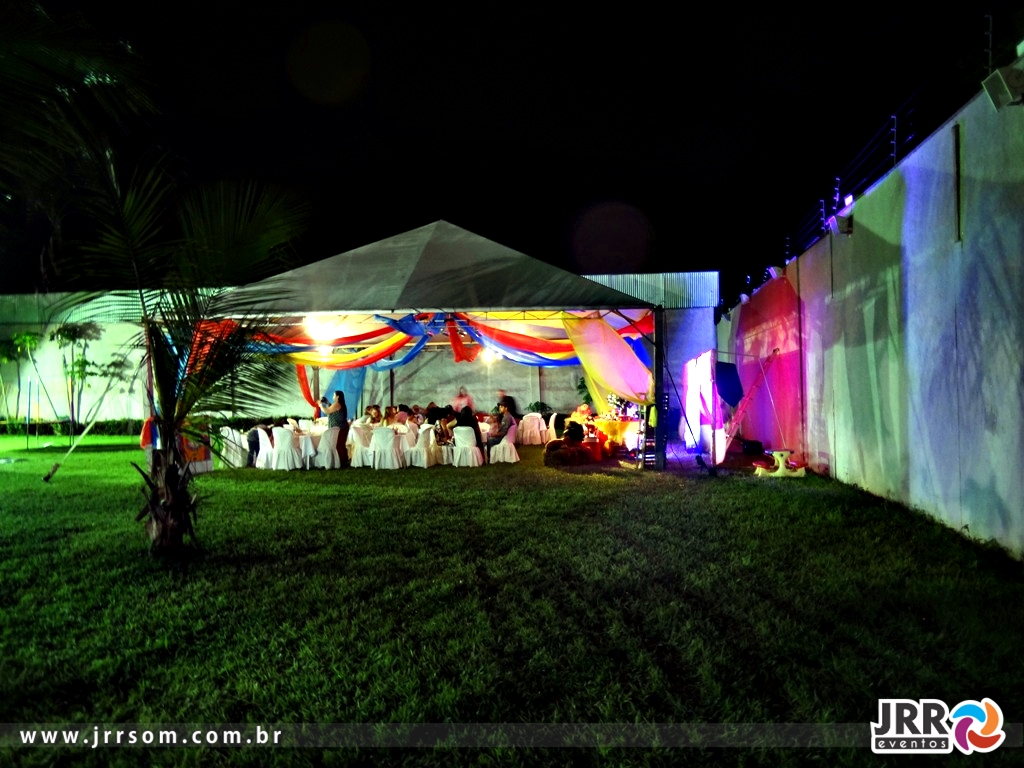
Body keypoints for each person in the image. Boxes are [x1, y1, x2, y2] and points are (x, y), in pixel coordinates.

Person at [320, 391, 349, 467]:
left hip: (339, 428)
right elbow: (332, 409)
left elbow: (327, 411)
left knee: (339, 445)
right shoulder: (339, 404)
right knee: (341, 445)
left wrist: (320, 405)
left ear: (337, 396)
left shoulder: (337, 404)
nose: (333, 396)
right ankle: (343, 461)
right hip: (342, 427)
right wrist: (327, 403)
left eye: (334, 395)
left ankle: (341, 462)